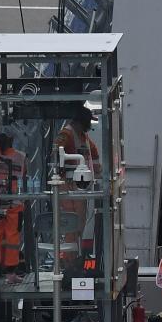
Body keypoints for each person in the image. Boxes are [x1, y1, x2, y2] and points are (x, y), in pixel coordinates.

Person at [53, 106, 100, 255]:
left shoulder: (83, 138)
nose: (90, 125)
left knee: (79, 223)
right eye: (88, 122)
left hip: (80, 185)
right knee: (70, 223)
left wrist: (98, 174)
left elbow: (94, 155)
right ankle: (68, 259)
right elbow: (55, 152)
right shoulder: (66, 134)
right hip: (68, 184)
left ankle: (74, 256)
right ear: (82, 121)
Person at [0, 133, 26, 284]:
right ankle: (9, 271)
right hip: (13, 203)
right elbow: (26, 177)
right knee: (11, 237)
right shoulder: (21, 157)